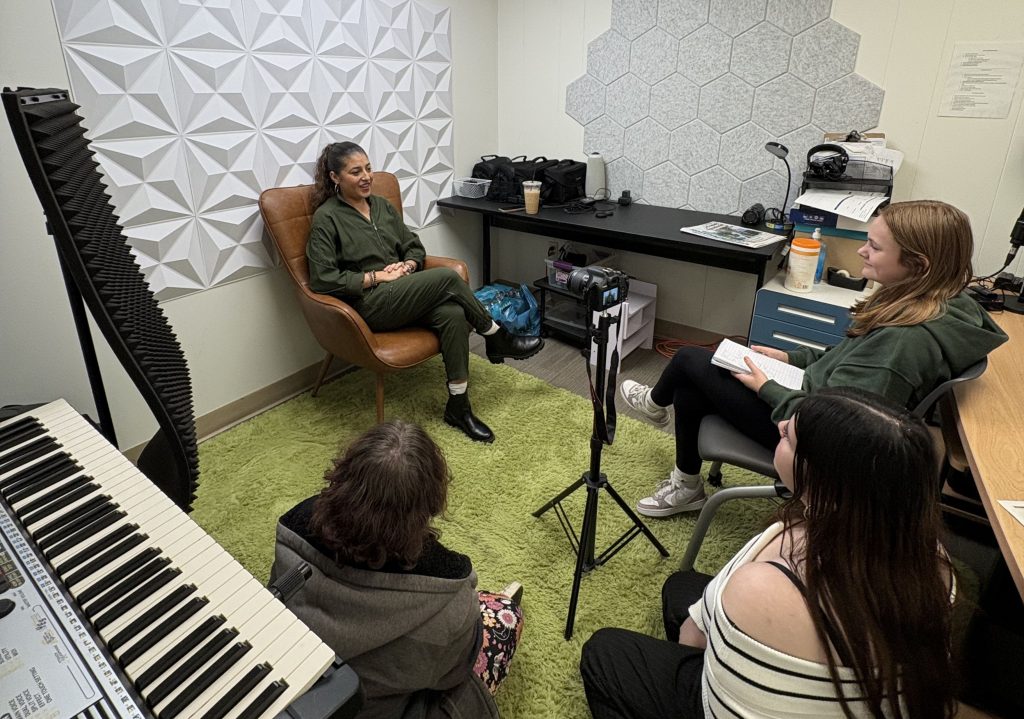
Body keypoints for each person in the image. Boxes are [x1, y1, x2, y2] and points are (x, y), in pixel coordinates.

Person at [581, 388, 959, 718]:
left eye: (790, 438)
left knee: (606, 651)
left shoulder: (771, 563)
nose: (779, 427)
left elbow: (692, 639)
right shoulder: (936, 566)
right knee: (681, 587)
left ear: (818, 476)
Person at [619, 199, 1007, 516]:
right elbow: (846, 360)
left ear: (917, 265)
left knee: (690, 361)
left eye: (874, 246)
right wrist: (790, 356)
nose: (861, 250)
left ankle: (657, 408)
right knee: (698, 376)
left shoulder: (903, 344)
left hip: (813, 439)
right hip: (814, 398)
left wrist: (768, 387)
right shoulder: (927, 303)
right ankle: (684, 478)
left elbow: (844, 431)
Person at [270, 420, 524, 719]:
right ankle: (497, 604)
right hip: (382, 708)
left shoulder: (289, 537)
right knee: (504, 617)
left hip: (299, 699)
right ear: (429, 503)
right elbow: (453, 675)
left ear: (343, 474)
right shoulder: (451, 601)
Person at [306, 141, 543, 443]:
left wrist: (406, 266)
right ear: (335, 177)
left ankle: (458, 405)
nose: (366, 176)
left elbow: (413, 245)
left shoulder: (380, 206)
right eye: (355, 172)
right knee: (446, 278)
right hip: (369, 305)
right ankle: (495, 335)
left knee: (453, 313)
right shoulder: (327, 218)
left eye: (368, 168)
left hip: (402, 293)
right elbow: (323, 279)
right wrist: (375, 276)